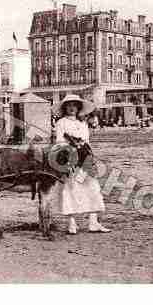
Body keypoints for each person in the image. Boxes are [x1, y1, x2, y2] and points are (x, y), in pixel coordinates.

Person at [52, 94, 111, 234]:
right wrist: (67, 159)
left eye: (75, 105)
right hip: (69, 158)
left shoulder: (83, 124)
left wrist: (88, 155)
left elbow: (86, 142)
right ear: (65, 107)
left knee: (92, 187)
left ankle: (93, 222)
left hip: (84, 158)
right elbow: (59, 142)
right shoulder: (61, 123)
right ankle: (72, 223)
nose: (72, 108)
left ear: (79, 108)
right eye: (69, 105)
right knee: (70, 189)